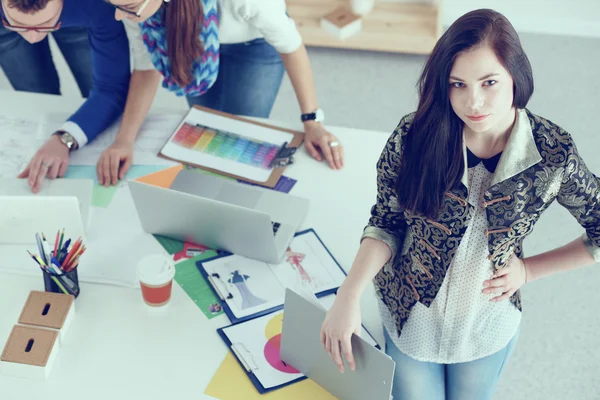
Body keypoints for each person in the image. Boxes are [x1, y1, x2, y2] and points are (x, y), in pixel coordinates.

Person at [320, 9, 600, 400]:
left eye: (489, 82)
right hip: (410, 316)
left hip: (487, 320)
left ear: (515, 77)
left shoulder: (552, 153)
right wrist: (348, 295)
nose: (474, 102)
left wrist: (529, 271)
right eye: (458, 84)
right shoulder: (414, 135)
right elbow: (387, 221)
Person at [95, 0, 344, 187]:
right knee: (206, 127)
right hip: (189, 42)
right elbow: (146, 66)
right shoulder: (132, 5)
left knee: (244, 134)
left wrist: (312, 120)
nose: (118, 16)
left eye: (127, 7)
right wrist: (124, 140)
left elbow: (292, 47)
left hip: (253, 45)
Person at [0, 0, 131, 193]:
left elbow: (111, 88)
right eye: (17, 24)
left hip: (80, 9)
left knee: (98, 105)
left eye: (48, 22)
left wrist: (66, 138)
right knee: (39, 102)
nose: (33, 39)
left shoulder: (97, 5)